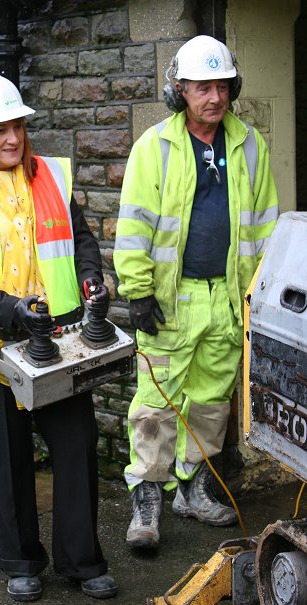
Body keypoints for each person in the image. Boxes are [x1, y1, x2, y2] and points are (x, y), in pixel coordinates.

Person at [0, 70, 118, 601]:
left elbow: (79, 241)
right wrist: (12, 312)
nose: (12, 137)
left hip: (58, 340)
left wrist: (90, 278)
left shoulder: (53, 176)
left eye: (17, 126)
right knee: (7, 459)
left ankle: (82, 562)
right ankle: (21, 562)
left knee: (76, 446)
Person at [113, 35, 279, 550]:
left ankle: (194, 484)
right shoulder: (155, 147)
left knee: (210, 400)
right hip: (172, 298)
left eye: (223, 85)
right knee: (156, 401)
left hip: (228, 299)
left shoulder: (250, 145)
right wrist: (138, 292)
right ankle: (148, 496)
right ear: (179, 90)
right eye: (202, 87)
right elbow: (134, 225)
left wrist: (263, 294)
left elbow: (267, 225)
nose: (215, 96)